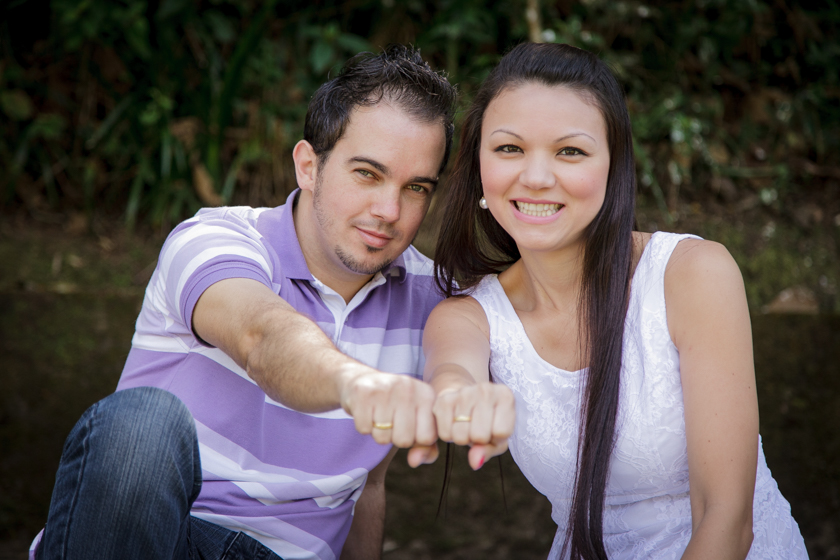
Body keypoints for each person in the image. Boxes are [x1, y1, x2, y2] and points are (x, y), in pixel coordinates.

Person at [32, 45, 456, 560]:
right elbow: (261, 335)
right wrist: (358, 385)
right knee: (141, 421)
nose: (389, 210)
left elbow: (367, 487)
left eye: (416, 188)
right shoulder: (216, 240)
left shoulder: (431, 301)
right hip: (164, 540)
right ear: (308, 166)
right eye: (367, 173)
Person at [422, 42, 808, 559]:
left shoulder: (692, 275)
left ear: (613, 166)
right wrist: (459, 400)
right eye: (509, 148)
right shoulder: (469, 317)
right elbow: (452, 371)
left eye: (570, 151)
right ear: (478, 169)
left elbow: (728, 519)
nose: (536, 177)